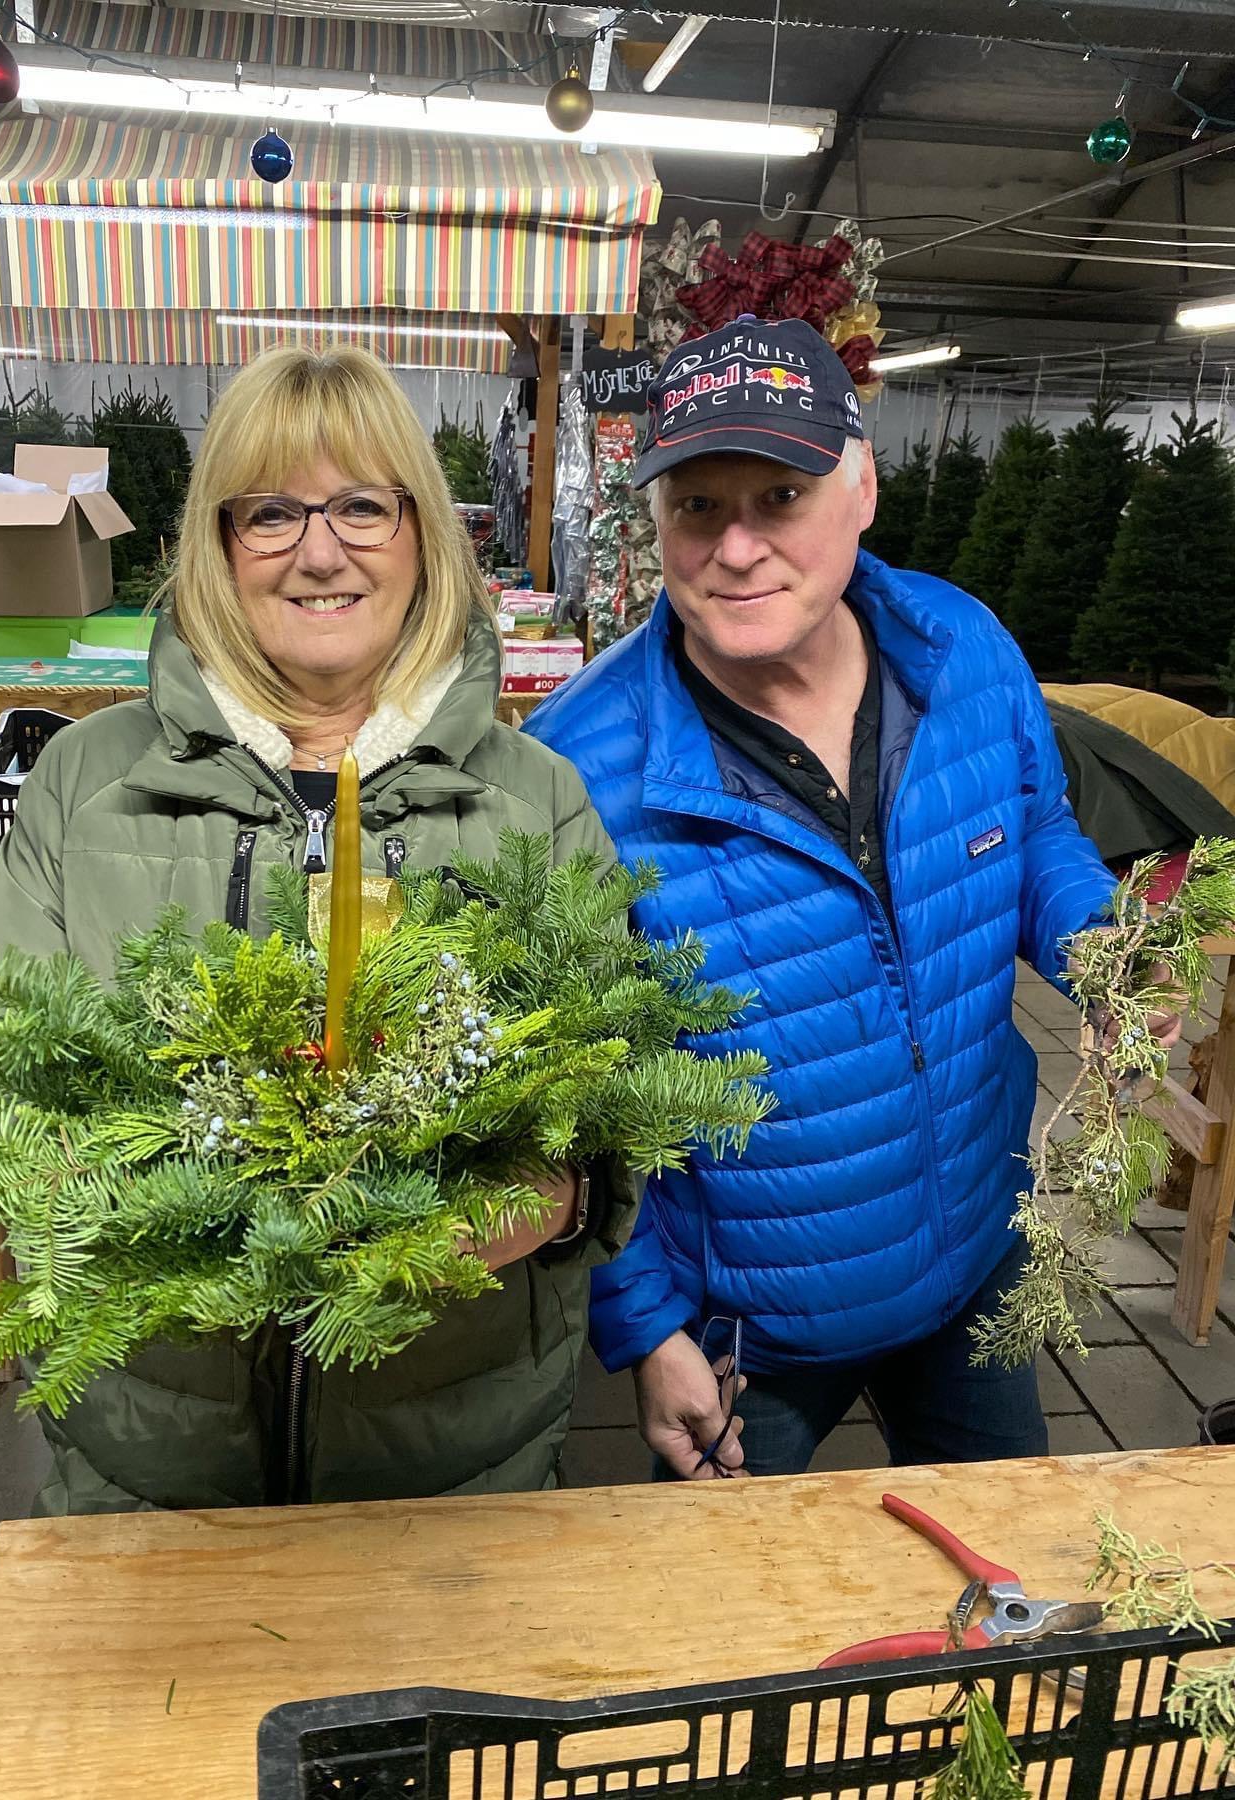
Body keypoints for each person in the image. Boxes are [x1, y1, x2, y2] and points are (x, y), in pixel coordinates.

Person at [0, 344, 637, 1514]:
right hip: (155, 1451)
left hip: (453, 1454)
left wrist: (558, 1192)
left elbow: (620, 1098)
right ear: (218, 547)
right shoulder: (86, 785)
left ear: (424, 532)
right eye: (271, 511)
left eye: (363, 507)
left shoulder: (537, 799)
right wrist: (93, 1201)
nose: (320, 551)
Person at [526, 315, 1181, 1480]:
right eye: (696, 506)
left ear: (862, 481)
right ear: (658, 517)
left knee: (1007, 1573)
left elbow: (1032, 830)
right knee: (746, 1634)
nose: (736, 547)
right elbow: (569, 1096)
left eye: (780, 497)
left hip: (978, 1256)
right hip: (750, 1334)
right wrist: (645, 1330)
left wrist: (1097, 944)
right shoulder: (582, 774)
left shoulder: (962, 649)